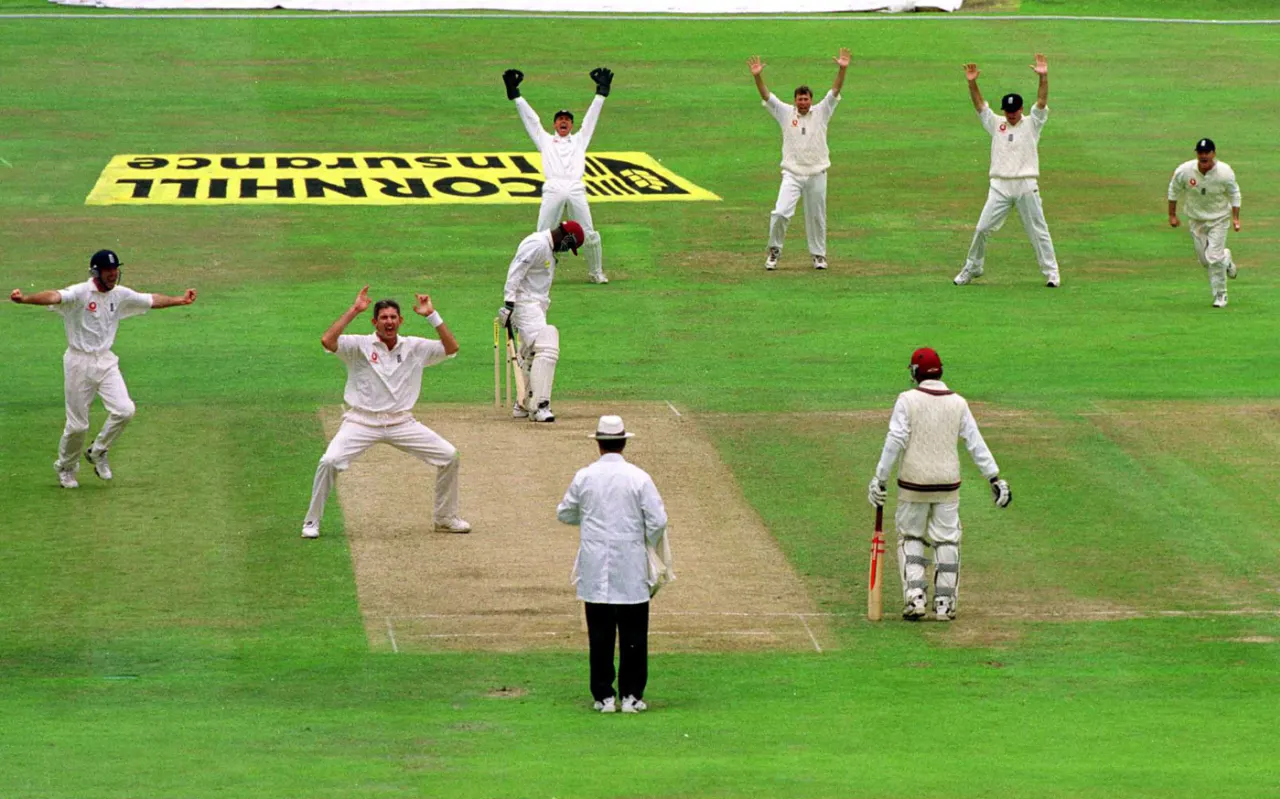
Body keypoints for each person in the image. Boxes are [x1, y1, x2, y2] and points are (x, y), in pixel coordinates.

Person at [9, 249, 196, 488]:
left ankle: (98, 451)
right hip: (78, 361)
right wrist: (25, 299)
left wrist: (180, 300)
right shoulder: (80, 292)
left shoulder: (120, 295)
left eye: (115, 269)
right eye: (108, 270)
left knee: (125, 410)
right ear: (96, 272)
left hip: (105, 360)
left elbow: (150, 300)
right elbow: (54, 296)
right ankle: (65, 467)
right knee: (78, 425)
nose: (113, 274)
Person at [301, 286, 469, 539]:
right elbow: (328, 341)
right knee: (329, 461)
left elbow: (451, 348)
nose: (389, 322)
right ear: (375, 321)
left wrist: (432, 315)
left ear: (400, 320)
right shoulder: (358, 345)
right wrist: (354, 310)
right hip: (361, 421)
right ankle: (312, 521)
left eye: (393, 317)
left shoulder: (414, 347)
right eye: (383, 318)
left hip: (402, 423)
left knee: (449, 456)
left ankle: (445, 518)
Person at [867, 348, 1011, 622]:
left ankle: (915, 598)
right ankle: (945, 603)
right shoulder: (958, 402)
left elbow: (895, 439)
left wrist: (880, 478)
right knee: (947, 538)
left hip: (913, 483)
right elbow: (974, 440)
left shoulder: (906, 400)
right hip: (947, 485)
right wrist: (994, 476)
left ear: (914, 373)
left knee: (911, 537)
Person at [557, 415, 670, 714]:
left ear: (598, 444)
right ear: (623, 443)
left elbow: (565, 513)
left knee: (600, 632)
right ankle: (632, 696)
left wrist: (593, 519)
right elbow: (658, 520)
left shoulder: (585, 477)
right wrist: (642, 538)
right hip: (631, 562)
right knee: (634, 631)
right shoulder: (639, 477)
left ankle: (604, 697)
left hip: (595, 564)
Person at [954, 54, 1061, 288]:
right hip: (1000, 186)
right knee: (982, 228)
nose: (1011, 114)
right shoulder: (997, 124)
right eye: (1008, 111)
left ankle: (1052, 273)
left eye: (1014, 111)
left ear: (1021, 109)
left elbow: (1041, 102)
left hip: (1026, 184)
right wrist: (972, 83)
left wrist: (1043, 78)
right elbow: (980, 106)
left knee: (1038, 231)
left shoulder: (1033, 123)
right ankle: (973, 267)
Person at [503, 66, 611, 284]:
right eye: (560, 119)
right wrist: (516, 96)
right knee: (543, 233)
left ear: (571, 124)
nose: (564, 122)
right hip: (553, 187)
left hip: (575, 187)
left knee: (589, 232)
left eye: (567, 119)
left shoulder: (580, 140)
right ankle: (538, 272)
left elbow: (591, 119)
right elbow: (531, 120)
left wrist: (601, 93)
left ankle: (596, 272)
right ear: (554, 124)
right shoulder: (544, 139)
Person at [748, 49, 849, 271]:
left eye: (806, 99)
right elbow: (766, 96)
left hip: (816, 174)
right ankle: (774, 251)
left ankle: (819, 256)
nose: (803, 102)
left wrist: (842, 69)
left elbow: (835, 90)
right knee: (781, 212)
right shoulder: (785, 113)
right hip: (792, 174)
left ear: (811, 100)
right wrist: (757, 76)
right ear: (795, 101)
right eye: (799, 99)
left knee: (816, 218)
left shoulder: (822, 111)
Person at [496, 220, 583, 423]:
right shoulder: (537, 244)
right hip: (525, 304)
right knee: (547, 346)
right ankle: (540, 406)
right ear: (566, 237)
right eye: (569, 246)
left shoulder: (547, 248)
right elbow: (515, 270)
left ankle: (523, 402)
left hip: (536, 306)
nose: (566, 250)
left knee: (529, 354)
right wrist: (509, 303)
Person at [1167, 138, 1242, 308]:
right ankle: (1226, 258)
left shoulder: (1225, 172)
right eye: (1200, 153)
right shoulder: (1185, 171)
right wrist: (1172, 215)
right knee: (1205, 261)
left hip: (1219, 219)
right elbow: (1173, 190)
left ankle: (1221, 295)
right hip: (1196, 220)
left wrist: (1236, 218)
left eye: (1207, 152)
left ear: (1213, 154)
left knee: (1214, 259)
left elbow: (1235, 194)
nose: (1203, 156)